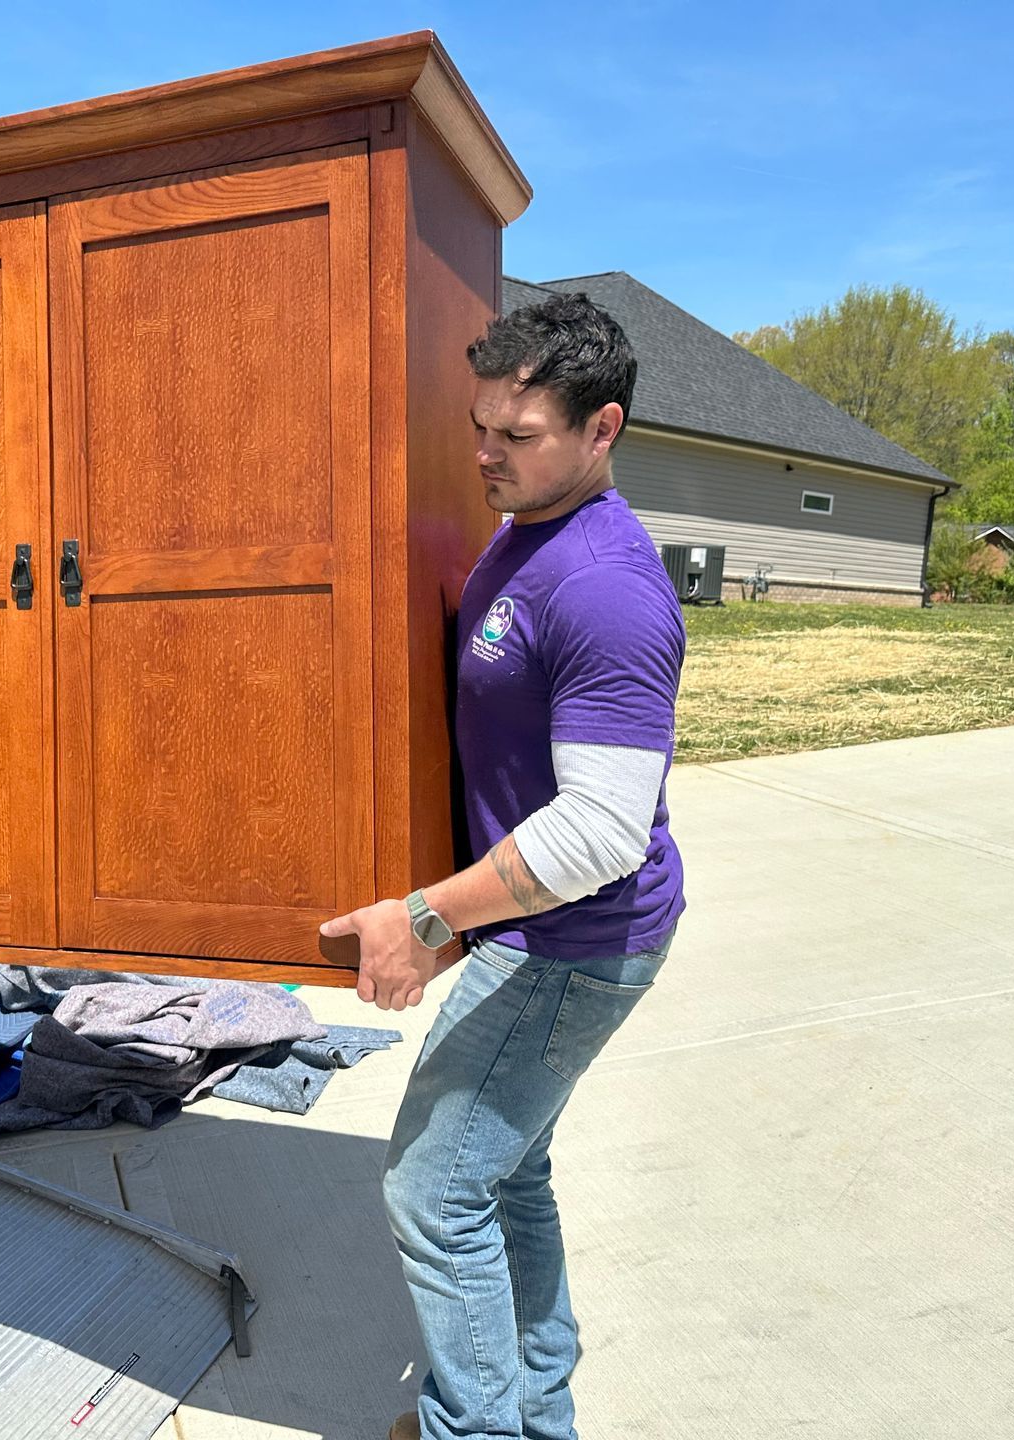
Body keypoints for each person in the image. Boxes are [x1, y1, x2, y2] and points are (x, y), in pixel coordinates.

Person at [319, 293, 686, 1440]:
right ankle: (534, 1414)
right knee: (505, 1174)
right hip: (544, 936)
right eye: (480, 426)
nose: (485, 454)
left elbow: (599, 832)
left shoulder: (608, 589)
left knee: (433, 1193)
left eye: (515, 436)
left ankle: (474, 1429)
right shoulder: (528, 528)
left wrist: (428, 919)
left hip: (572, 946)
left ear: (602, 429)